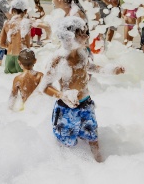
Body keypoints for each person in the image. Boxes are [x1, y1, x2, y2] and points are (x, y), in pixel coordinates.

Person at [39, 16, 125, 162]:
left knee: (93, 138)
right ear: (68, 37)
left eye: (86, 32)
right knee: (67, 145)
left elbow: (91, 68)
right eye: (81, 33)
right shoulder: (58, 60)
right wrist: (62, 94)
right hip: (66, 110)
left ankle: (100, 167)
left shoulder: (82, 52)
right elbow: (43, 87)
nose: (86, 36)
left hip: (86, 104)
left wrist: (110, 70)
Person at [0, 0, 31, 74]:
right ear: (25, 11)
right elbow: (27, 45)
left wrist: (10, 46)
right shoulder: (25, 23)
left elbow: (0, 43)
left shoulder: (7, 23)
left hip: (9, 56)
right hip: (22, 57)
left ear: (12, 10)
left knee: (8, 81)